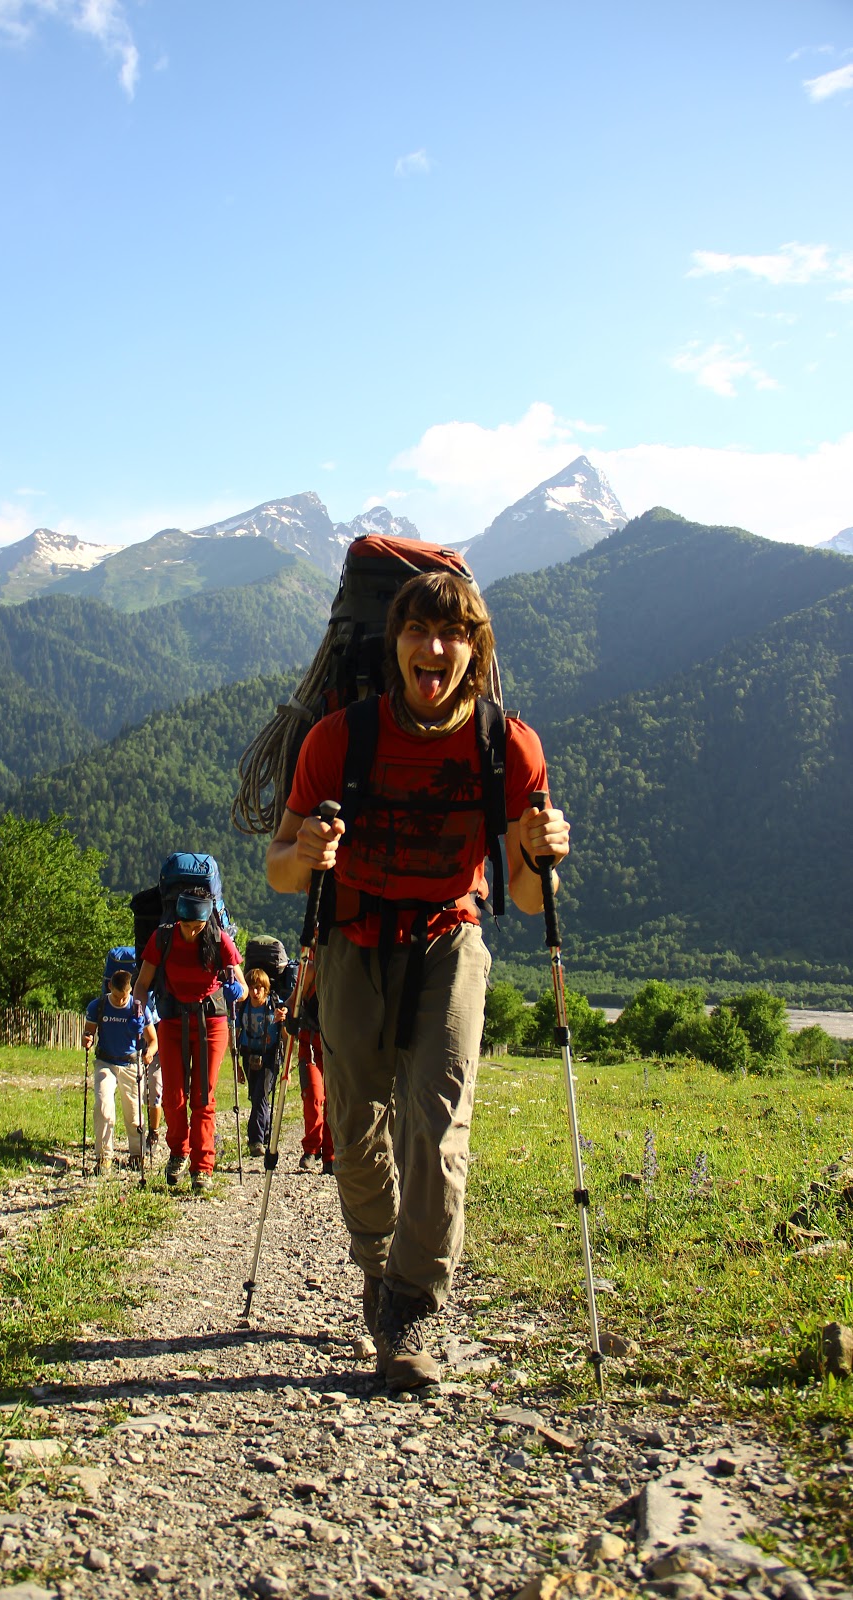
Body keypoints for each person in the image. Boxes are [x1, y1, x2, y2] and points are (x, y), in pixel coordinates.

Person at [266, 570, 570, 1390]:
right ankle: (376, 1265)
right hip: (353, 937)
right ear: (395, 644)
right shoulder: (338, 738)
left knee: (437, 1127)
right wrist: (306, 855)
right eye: (416, 632)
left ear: (474, 651)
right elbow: (280, 870)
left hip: (449, 935)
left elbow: (525, 891)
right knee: (356, 1125)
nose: (433, 648)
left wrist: (546, 851)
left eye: (453, 634)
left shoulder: (508, 747)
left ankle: (411, 1302)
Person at [132, 891, 245, 1195]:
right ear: (178, 917)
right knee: (172, 1094)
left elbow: (243, 987)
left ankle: (203, 1166)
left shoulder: (220, 939)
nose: (194, 930)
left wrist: (238, 990)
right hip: (171, 1020)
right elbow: (141, 984)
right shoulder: (163, 938)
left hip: (211, 1021)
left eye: (199, 924)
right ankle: (178, 1151)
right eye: (188, 924)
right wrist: (139, 1009)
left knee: (203, 1095)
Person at [82, 967, 157, 1174]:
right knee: (104, 1107)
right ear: (109, 987)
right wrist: (87, 1040)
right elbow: (89, 1033)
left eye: (124, 997)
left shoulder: (139, 1009)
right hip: (105, 1062)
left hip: (131, 1064)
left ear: (130, 990)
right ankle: (104, 1158)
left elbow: (153, 1041)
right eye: (117, 996)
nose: (121, 1001)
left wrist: (149, 1052)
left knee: (134, 1113)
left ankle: (136, 1154)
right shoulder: (98, 1006)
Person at [236, 968, 287, 1157]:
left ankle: (255, 1140)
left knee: (260, 1096)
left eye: (259, 988)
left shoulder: (274, 1007)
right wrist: (237, 1068)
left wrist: (283, 1021)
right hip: (249, 1057)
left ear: (266, 989)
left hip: (269, 1058)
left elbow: (286, 1037)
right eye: (251, 988)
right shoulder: (243, 1008)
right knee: (256, 1096)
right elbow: (235, 1037)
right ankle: (265, 1133)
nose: (255, 992)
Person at [296, 977, 334, 1175]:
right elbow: (294, 1000)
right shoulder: (308, 969)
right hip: (310, 1042)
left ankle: (330, 1155)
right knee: (313, 1095)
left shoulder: (340, 968)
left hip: (335, 1044)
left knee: (333, 1100)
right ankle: (311, 1149)